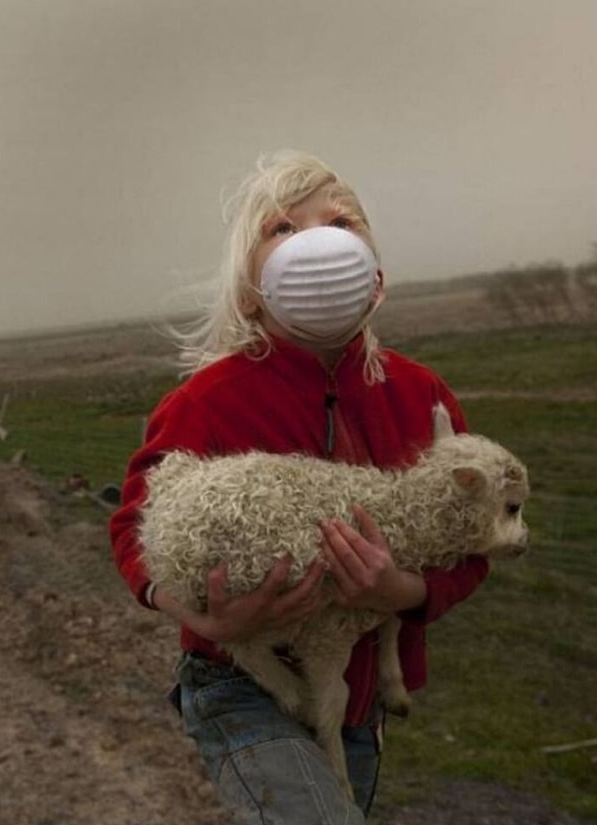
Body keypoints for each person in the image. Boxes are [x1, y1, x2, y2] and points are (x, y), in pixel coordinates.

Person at [109, 150, 489, 824]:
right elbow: (134, 525)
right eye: (283, 229)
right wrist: (202, 616)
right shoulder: (207, 401)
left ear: (373, 272)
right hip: (239, 679)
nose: (317, 240)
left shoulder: (420, 396)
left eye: (340, 221)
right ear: (251, 282)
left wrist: (404, 592)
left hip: (356, 696)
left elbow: (472, 536)